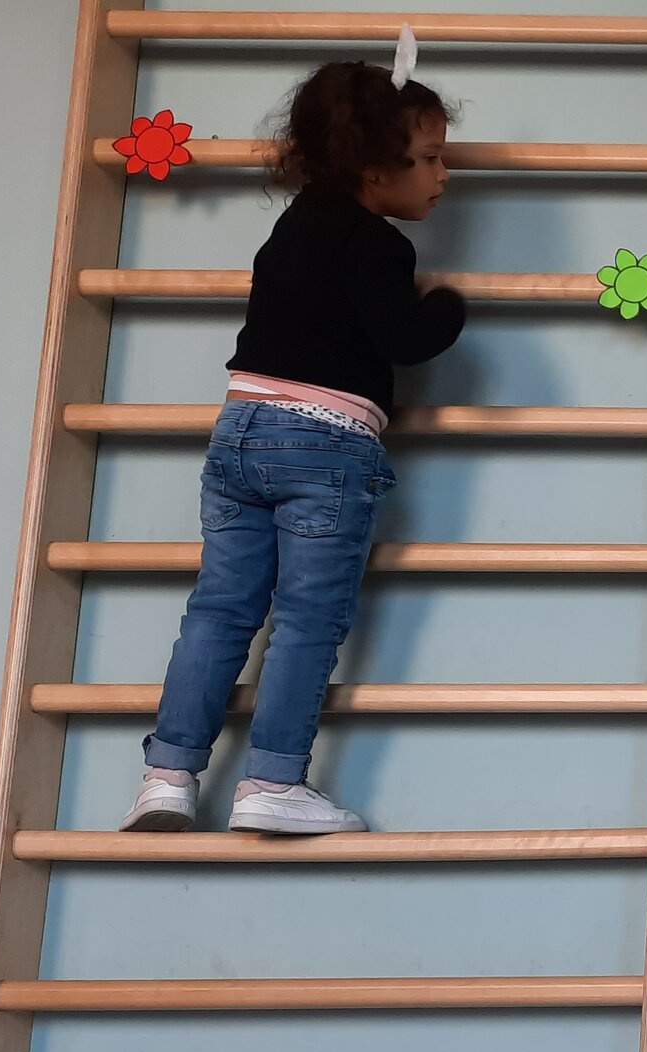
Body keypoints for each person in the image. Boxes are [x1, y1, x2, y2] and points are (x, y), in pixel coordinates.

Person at [120, 56, 464, 835]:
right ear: (374, 169)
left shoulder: (293, 226)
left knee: (218, 610)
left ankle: (166, 779)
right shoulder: (378, 246)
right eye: (430, 158)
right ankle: (272, 782)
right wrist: (447, 305)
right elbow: (404, 339)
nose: (444, 176)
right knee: (307, 621)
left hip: (239, 431)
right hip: (324, 444)